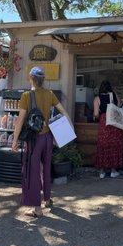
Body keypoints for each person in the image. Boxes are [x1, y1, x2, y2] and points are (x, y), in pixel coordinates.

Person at [12, 66, 73, 218]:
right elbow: (63, 111)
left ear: (30, 78)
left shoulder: (27, 95)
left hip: (34, 139)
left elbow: (20, 120)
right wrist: (70, 125)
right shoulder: (50, 94)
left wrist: (14, 140)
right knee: (46, 169)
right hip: (48, 138)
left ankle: (37, 209)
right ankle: (47, 199)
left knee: (32, 172)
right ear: (43, 80)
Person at [93, 80, 123, 179]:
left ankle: (102, 172)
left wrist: (97, 116)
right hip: (114, 122)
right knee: (114, 145)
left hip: (103, 122)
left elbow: (96, 114)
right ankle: (113, 171)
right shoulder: (114, 95)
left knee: (103, 144)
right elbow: (119, 105)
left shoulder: (97, 98)